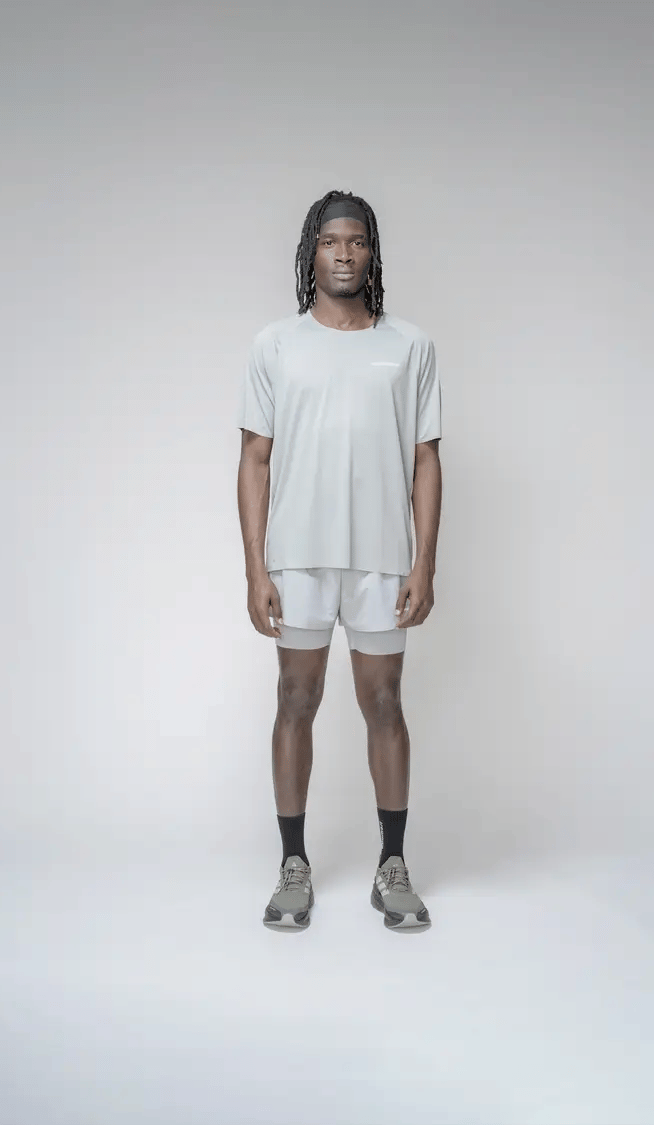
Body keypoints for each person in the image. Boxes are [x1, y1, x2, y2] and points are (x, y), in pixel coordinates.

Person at [236, 190, 443, 933]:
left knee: (384, 704)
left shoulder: (409, 346)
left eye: (357, 241)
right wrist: (256, 568)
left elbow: (425, 459)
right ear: (311, 252)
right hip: (298, 557)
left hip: (382, 557)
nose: (345, 254)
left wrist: (424, 564)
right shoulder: (276, 344)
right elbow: (254, 458)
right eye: (331, 242)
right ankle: (294, 864)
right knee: (296, 698)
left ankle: (393, 865)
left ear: (372, 252)